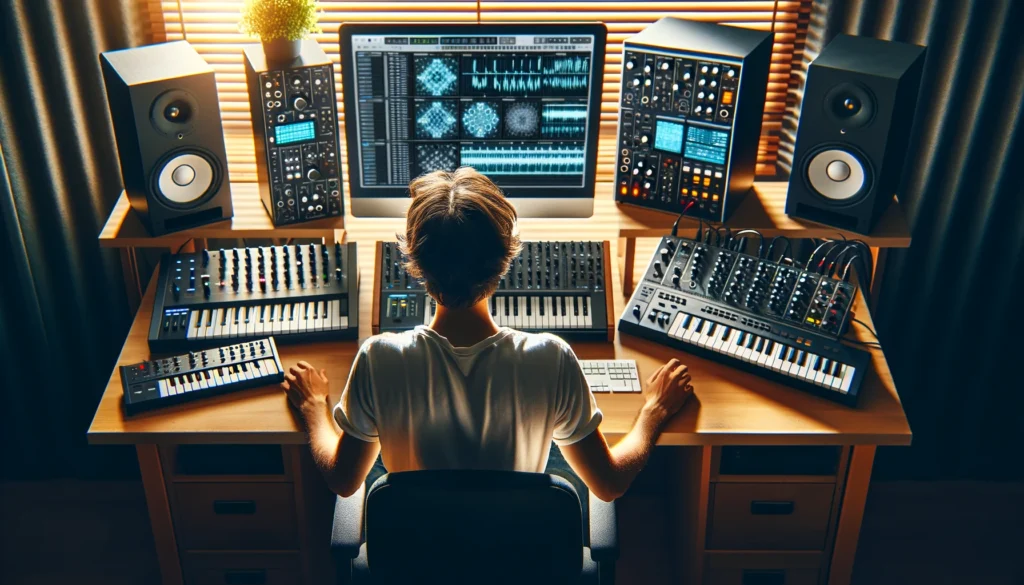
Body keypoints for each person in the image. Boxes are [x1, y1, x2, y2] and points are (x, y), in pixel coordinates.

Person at [281, 167, 694, 503]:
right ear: (505, 259)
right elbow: (609, 484)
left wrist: (315, 407)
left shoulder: (378, 358)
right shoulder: (551, 358)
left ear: (415, 263)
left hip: (419, 559)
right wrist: (654, 411)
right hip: (514, 558)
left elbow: (343, 481)